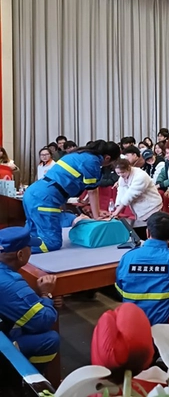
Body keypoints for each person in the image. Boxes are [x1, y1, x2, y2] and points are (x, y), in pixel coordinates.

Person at [23, 140, 120, 253]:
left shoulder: (79, 154)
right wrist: (96, 216)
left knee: (33, 234)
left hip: (33, 193)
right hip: (45, 199)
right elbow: (92, 191)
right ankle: (13, 251)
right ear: (107, 158)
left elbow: (90, 187)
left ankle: (15, 250)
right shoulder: (93, 161)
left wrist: (93, 209)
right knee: (51, 243)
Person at [115, 212, 169, 325]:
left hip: (132, 325)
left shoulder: (128, 257)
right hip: (165, 327)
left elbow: (120, 289)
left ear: (148, 232)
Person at [0, 227, 59, 370]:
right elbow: (42, 321)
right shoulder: (11, 284)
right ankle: (23, 377)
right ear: (20, 254)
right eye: (30, 247)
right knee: (50, 339)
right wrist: (46, 295)